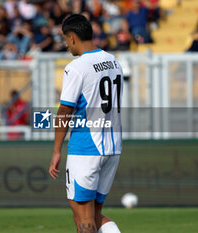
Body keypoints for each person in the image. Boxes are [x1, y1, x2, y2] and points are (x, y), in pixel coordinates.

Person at [49, 14, 124, 233]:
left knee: (83, 218)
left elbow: (65, 110)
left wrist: (56, 150)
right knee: (94, 214)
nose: (65, 45)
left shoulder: (77, 67)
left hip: (86, 147)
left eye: (65, 40)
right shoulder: (113, 61)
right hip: (113, 146)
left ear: (72, 38)